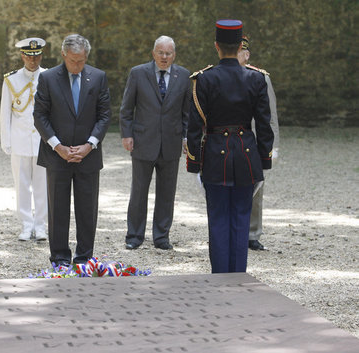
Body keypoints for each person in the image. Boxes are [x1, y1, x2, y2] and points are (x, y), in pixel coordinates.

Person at [185, 20, 274, 273]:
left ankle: (220, 277)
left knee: (218, 219)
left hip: (214, 155)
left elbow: (194, 126)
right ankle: (238, 277)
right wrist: (264, 161)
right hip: (246, 155)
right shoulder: (256, 79)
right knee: (241, 219)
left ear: (216, 46)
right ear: (239, 47)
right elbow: (264, 126)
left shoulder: (203, 79)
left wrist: (194, 163)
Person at [33, 34, 111, 266]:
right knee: (58, 208)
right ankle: (59, 257)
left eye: (82, 61)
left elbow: (105, 115)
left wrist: (90, 145)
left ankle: (84, 256)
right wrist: (57, 146)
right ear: (64, 55)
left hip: (88, 155)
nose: (77, 66)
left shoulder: (98, 77)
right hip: (57, 155)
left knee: (87, 209)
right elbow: (40, 115)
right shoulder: (48, 78)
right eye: (73, 60)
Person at [119, 35, 191, 251]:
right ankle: (134, 236)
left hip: (171, 143)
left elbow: (187, 113)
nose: (164, 57)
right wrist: (126, 134)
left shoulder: (184, 76)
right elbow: (126, 108)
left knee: (167, 193)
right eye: (160, 52)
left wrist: (187, 138)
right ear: (153, 53)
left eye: (168, 53)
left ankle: (161, 237)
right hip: (143, 141)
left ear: (174, 55)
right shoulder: (138, 73)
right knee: (139, 191)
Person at [0, 37, 48, 241]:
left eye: (36, 56)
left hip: (44, 142)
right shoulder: (11, 79)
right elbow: (5, 112)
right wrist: (6, 141)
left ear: (41, 56)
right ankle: (27, 225)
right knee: (22, 185)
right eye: (29, 56)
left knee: (43, 185)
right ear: (22, 56)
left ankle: (42, 225)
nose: (33, 60)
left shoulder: (49, 77)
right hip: (20, 140)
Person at [237, 36, 280, 251]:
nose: (236, 57)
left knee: (256, 190)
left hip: (254, 141)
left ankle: (252, 233)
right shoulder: (215, 76)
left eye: (240, 53)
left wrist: (273, 146)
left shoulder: (260, 78)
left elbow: (270, 116)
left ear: (247, 55)